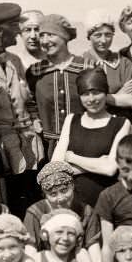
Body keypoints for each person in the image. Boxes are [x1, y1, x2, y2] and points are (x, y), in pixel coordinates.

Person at [0, 3, 42, 217]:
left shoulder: (14, 60)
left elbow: (28, 101)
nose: (18, 31)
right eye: (14, 26)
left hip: (24, 145)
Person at [51, 68, 131, 208]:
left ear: (106, 93)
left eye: (96, 92)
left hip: (109, 203)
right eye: (85, 94)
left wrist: (72, 158)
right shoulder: (71, 120)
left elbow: (110, 169)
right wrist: (99, 163)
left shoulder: (121, 123)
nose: (91, 99)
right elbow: (55, 167)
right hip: (74, 202)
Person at [22, 161, 102, 262]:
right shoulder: (35, 213)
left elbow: (94, 253)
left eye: (64, 190)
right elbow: (30, 252)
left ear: (72, 185)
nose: (60, 198)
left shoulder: (87, 212)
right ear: (44, 195)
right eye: (53, 194)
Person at [26, 14, 85, 156]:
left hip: (82, 143)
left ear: (64, 37)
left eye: (51, 35)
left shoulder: (86, 67)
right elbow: (29, 102)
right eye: (42, 36)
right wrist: (34, 118)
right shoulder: (34, 72)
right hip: (48, 148)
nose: (45, 41)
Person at [81, 9, 132, 116]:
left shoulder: (123, 63)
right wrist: (117, 97)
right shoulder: (81, 63)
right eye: (98, 35)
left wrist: (98, 97)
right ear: (89, 36)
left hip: (121, 122)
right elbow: (81, 99)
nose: (103, 40)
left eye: (108, 35)